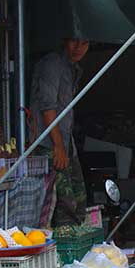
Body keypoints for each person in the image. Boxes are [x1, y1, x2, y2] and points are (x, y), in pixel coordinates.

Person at [30, 36, 89, 226]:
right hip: (49, 145)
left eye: (84, 43)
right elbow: (47, 108)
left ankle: (77, 246)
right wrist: (58, 146)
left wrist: (66, 146)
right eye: (74, 41)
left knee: (79, 200)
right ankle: (65, 251)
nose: (78, 48)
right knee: (66, 203)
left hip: (65, 142)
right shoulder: (52, 64)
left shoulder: (73, 69)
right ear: (64, 41)